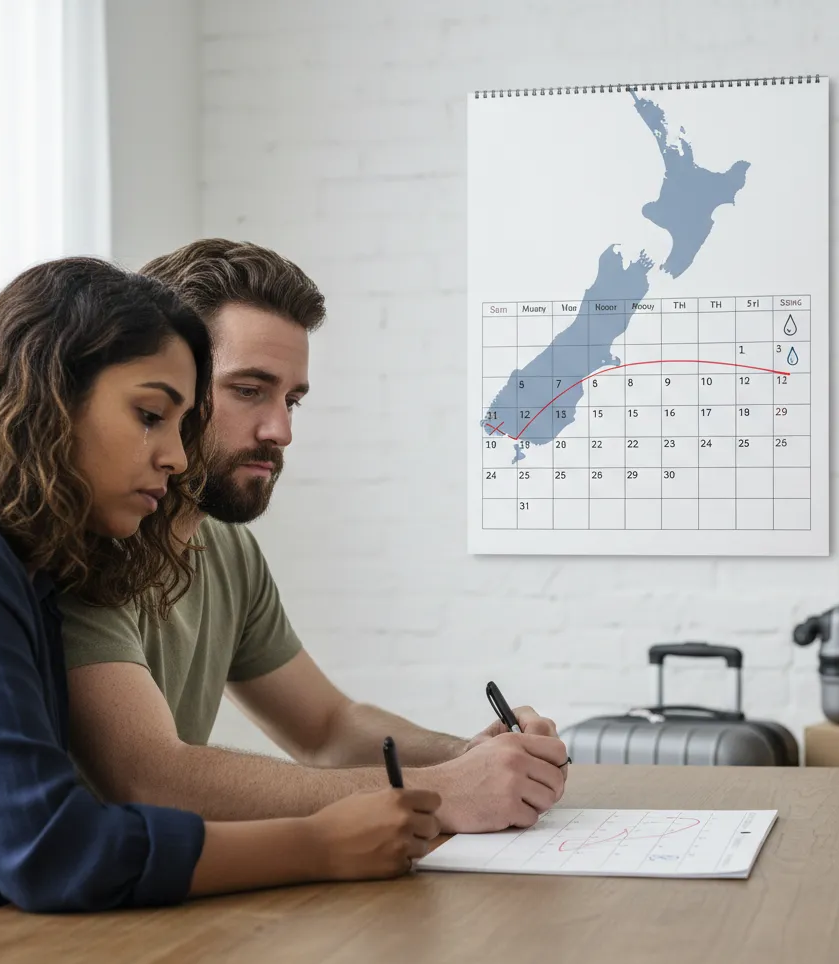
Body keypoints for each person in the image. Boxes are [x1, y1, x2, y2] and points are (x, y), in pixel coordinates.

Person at [0, 257, 440, 943]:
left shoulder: (24, 559)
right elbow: (46, 846)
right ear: (48, 395)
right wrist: (316, 843)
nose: (177, 457)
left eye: (181, 422)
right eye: (150, 415)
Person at [60, 239, 569, 833]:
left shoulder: (226, 549)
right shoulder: (83, 544)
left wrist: (470, 757)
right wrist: (445, 789)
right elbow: (151, 779)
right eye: (249, 390)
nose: (280, 431)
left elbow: (326, 727)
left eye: (292, 400)